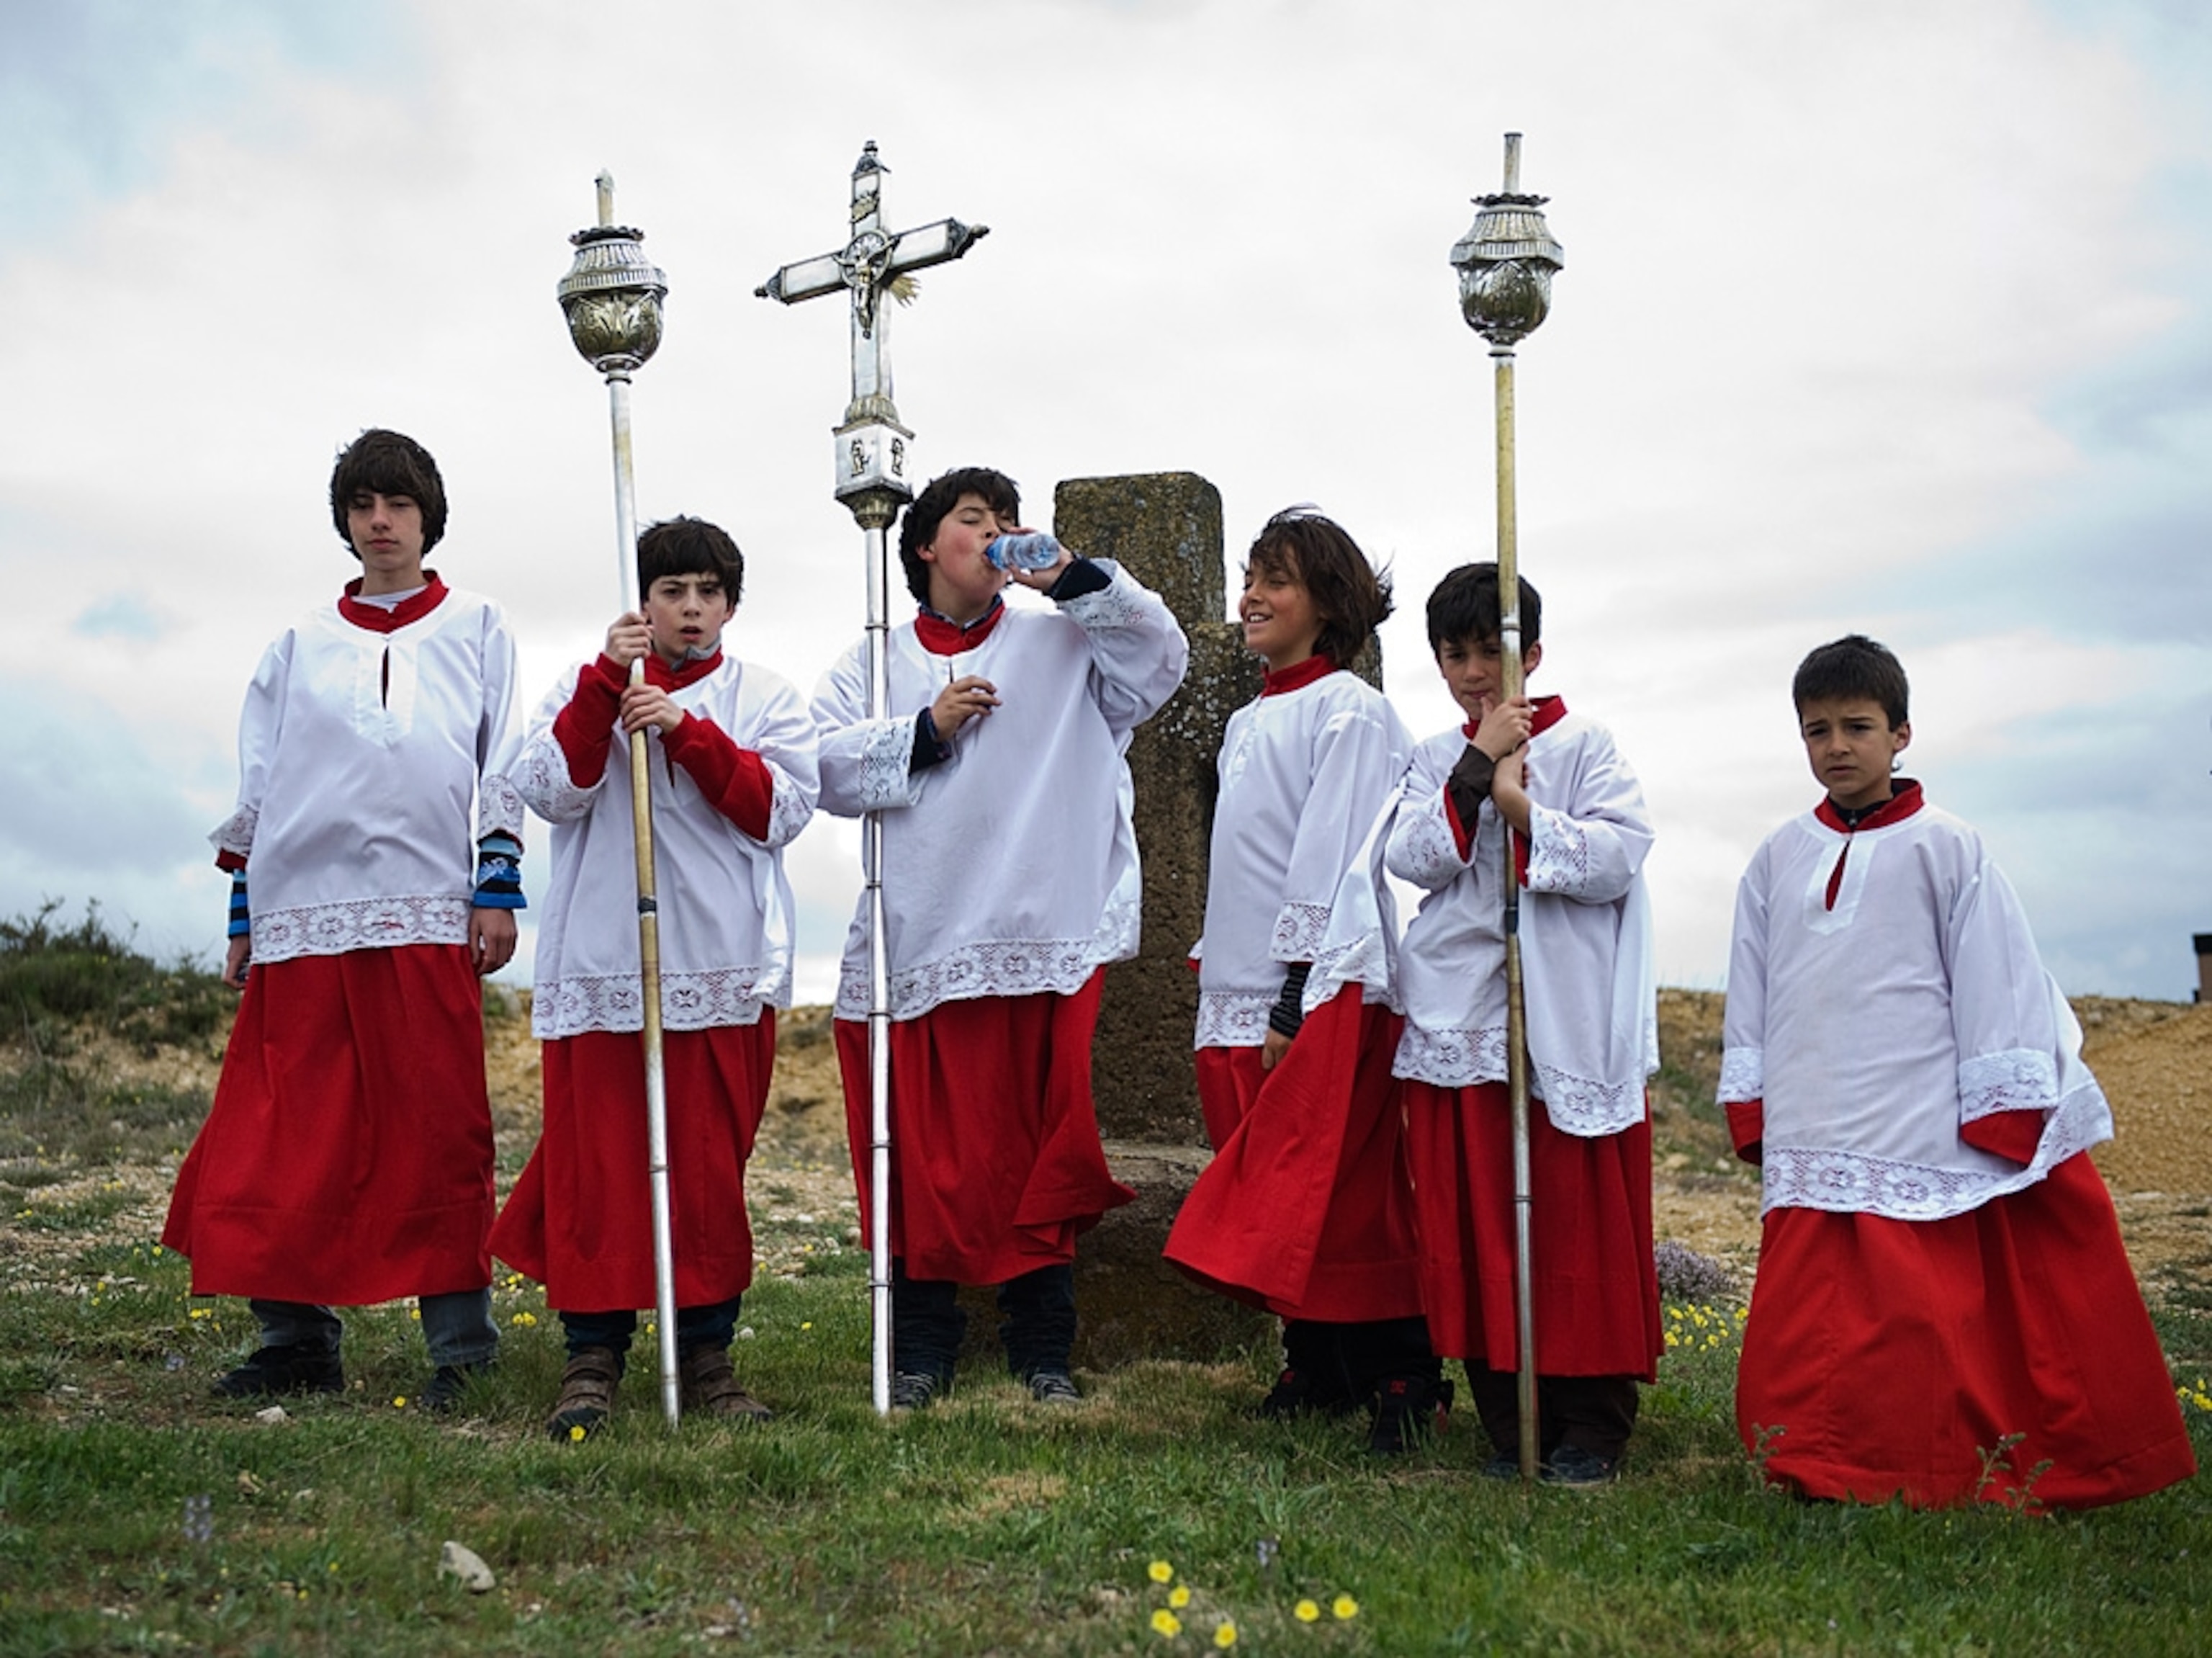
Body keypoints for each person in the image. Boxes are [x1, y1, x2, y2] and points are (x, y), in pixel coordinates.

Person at [1719, 635, 2196, 1508]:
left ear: (1901, 733)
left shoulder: (1950, 847)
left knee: (1913, 1311)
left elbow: (1998, 974)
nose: (1837, 747)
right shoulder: (1776, 857)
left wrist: (2002, 1111)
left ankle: (1909, 1466)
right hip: (1817, 1113)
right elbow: (1750, 980)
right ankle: (1810, 1460)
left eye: (1857, 726)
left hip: (1918, 1110)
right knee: (1813, 1307)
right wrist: (1750, 1102)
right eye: (1817, 730)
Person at [810, 465, 1188, 1407]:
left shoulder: (1063, 641)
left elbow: (1160, 658)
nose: (994, 532)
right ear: (928, 546)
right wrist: (925, 730)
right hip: (923, 930)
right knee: (927, 1153)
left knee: (1037, 1150)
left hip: (1039, 922)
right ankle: (926, 1347)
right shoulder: (876, 654)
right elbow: (821, 765)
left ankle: (1043, 1347)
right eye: (973, 519)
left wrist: (1069, 575)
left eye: (1006, 520)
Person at [163, 428, 523, 1412]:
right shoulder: (299, 643)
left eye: (397, 504)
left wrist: (496, 880)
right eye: (364, 505)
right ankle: (294, 1338)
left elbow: (502, 759)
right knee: (287, 1125)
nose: (380, 522)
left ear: (426, 516)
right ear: (345, 521)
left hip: (422, 906)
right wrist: (246, 907)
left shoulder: (481, 626)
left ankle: (462, 1347)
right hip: (304, 913)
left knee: (435, 1121)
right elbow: (265, 779)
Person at [490, 516, 819, 1439]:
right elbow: (550, 788)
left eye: (708, 592)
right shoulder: (588, 681)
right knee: (600, 1167)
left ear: (731, 605)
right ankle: (591, 1354)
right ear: (644, 601)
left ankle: (708, 1350)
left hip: (719, 961)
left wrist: (685, 729)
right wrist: (606, 685)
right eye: (672, 590)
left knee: (708, 1169)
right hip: (605, 961)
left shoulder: (765, 697)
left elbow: (779, 810)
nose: (690, 608)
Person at [1161, 508, 1438, 1455]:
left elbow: (1335, 859)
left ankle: (1407, 1370)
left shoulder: (1353, 713)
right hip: (1238, 980)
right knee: (1279, 1189)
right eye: (1251, 575)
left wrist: (1292, 996)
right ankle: (1317, 1360)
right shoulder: (1247, 718)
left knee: (1346, 1185)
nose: (1252, 596)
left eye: (1275, 580)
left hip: (1327, 986)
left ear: (1328, 603)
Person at [1386, 564, 1661, 1486]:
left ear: (1531, 653)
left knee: (1569, 1220)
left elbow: (1619, 856)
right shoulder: (1433, 757)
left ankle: (1592, 1421)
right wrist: (1475, 770)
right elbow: (1410, 856)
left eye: (1489, 653)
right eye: (1453, 655)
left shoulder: (1585, 745)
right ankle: (1509, 1419)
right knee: (1478, 1222)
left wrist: (1523, 808)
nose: (1472, 673)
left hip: (1563, 1015)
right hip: (1462, 1010)